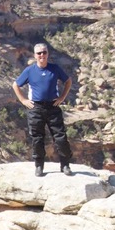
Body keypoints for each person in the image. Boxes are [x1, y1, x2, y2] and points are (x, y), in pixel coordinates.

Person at [12, 43, 73, 177]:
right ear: (34, 55)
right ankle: (39, 166)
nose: (42, 55)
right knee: (37, 138)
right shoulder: (29, 70)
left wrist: (62, 97)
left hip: (53, 106)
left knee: (60, 137)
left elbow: (68, 81)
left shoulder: (55, 69)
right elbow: (16, 85)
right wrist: (23, 100)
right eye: (39, 53)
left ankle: (65, 165)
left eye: (44, 52)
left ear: (47, 54)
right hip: (36, 108)